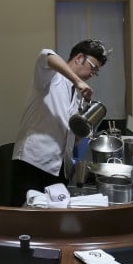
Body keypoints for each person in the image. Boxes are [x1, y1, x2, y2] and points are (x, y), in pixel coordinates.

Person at [11, 39, 109, 206]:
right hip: (34, 161)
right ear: (79, 58)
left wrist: (82, 132)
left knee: (52, 222)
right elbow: (46, 55)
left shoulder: (76, 97)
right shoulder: (50, 77)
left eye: (96, 72)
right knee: (27, 216)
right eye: (93, 68)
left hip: (59, 167)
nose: (93, 74)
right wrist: (78, 81)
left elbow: (73, 136)